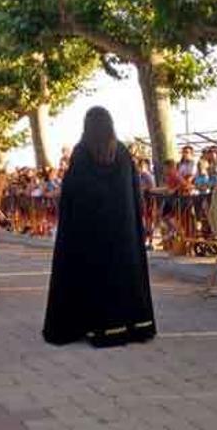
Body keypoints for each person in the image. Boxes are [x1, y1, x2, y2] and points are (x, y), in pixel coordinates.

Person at [43, 107, 156, 348]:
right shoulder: (123, 153)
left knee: (96, 279)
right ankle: (135, 325)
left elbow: (72, 196)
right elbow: (134, 195)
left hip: (92, 234)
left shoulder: (83, 153)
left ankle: (99, 326)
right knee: (124, 277)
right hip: (123, 233)